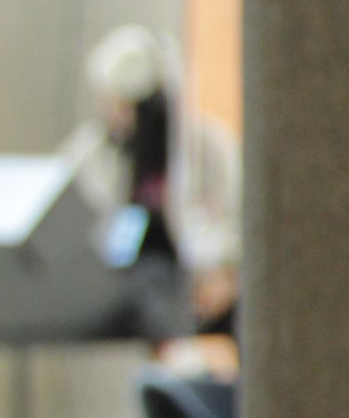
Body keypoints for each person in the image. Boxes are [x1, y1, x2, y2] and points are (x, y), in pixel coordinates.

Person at [62, 24, 241, 346]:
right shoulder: (92, 155)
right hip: (133, 281)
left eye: (128, 106)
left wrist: (225, 273)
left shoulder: (208, 148)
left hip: (201, 275)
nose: (117, 115)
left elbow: (236, 219)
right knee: (151, 289)